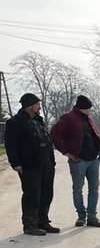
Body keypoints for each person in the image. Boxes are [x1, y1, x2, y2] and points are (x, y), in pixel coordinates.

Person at [3, 93, 59, 236]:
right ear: (29, 106)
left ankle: (43, 222)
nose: (39, 107)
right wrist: (15, 163)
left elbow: (47, 142)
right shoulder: (15, 122)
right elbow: (11, 145)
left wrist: (52, 162)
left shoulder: (39, 121)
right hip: (29, 165)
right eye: (37, 104)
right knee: (32, 195)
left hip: (46, 164)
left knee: (47, 193)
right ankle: (30, 225)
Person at [51, 95, 100, 227]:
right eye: (89, 109)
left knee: (94, 189)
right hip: (78, 160)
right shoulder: (68, 118)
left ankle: (92, 217)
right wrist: (66, 152)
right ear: (82, 108)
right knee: (78, 189)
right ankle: (81, 216)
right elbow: (54, 134)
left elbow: (94, 135)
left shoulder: (89, 118)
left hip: (94, 160)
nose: (91, 111)